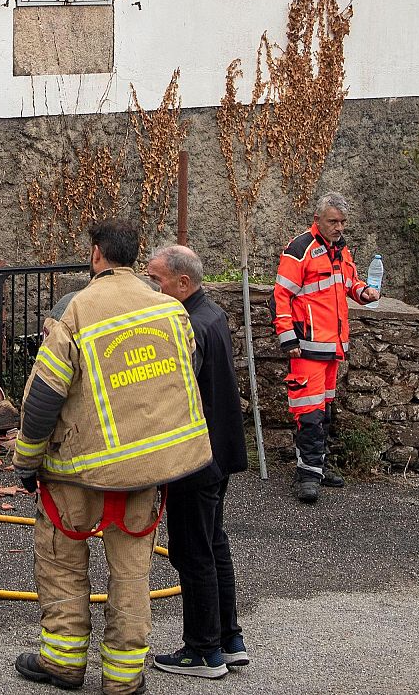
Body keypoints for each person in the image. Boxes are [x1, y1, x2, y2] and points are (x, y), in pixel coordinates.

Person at [12, 220, 213, 694]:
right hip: (143, 473)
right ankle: (123, 679)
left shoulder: (77, 311)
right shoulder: (170, 311)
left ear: (97, 254)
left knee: (62, 563)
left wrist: (26, 462)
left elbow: (43, 399)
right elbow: (183, 373)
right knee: (131, 574)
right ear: (136, 255)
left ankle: (63, 663)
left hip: (76, 475)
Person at [145, 245, 251, 678]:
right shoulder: (213, 314)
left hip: (194, 457)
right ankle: (229, 639)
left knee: (192, 552)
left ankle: (202, 651)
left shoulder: (187, 325)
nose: (151, 287)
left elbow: (174, 390)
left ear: (183, 283)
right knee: (213, 542)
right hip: (219, 451)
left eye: (156, 280)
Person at [273, 192, 380, 504]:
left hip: (332, 347)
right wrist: (288, 338)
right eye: (334, 221)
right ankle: (307, 476)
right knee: (309, 413)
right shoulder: (300, 248)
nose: (339, 227)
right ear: (317, 219)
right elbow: (281, 296)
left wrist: (363, 292)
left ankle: (318, 467)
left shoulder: (341, 250)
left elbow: (348, 284)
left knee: (325, 412)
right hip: (307, 348)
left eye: (343, 222)